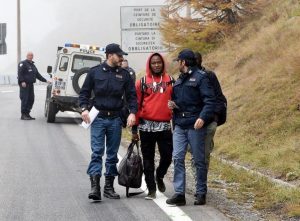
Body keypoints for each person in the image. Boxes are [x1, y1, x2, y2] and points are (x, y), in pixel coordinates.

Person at [79, 43, 137, 201]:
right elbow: (84, 93)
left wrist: (133, 113)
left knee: (112, 155)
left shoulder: (124, 74)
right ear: (110, 55)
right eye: (119, 55)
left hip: (115, 119)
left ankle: (109, 188)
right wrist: (83, 109)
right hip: (98, 118)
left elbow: (132, 96)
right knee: (97, 152)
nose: (121, 58)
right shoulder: (94, 72)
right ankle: (95, 187)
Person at [166, 49, 215, 206]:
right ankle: (179, 193)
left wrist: (202, 117)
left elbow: (210, 101)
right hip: (180, 125)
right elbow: (179, 101)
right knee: (177, 157)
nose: (177, 64)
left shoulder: (201, 78)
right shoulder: (179, 81)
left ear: (183, 62)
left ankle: (201, 192)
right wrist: (173, 105)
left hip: (195, 125)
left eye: (178, 61)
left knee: (199, 160)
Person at [132, 53, 174, 200]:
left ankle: (160, 175)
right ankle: (151, 189)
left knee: (167, 156)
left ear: (163, 63)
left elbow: (176, 102)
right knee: (148, 158)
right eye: (153, 63)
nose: (156, 65)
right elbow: (135, 105)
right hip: (146, 127)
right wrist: (134, 129)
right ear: (149, 65)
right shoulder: (141, 82)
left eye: (159, 62)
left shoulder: (171, 81)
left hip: (164, 126)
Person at [194, 52, 227, 168]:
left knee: (203, 155)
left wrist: (215, 117)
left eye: (197, 60)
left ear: (201, 60)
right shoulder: (184, 77)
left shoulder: (209, 75)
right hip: (192, 121)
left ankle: (200, 181)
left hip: (209, 120)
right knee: (193, 149)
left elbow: (219, 97)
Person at [18, 52, 50, 120]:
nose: (30, 56)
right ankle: (23, 115)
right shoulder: (23, 63)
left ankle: (27, 113)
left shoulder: (33, 65)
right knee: (25, 99)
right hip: (25, 85)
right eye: (29, 55)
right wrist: (22, 81)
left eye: (32, 55)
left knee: (31, 99)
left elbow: (37, 75)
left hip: (31, 85)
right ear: (26, 56)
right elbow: (20, 73)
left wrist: (46, 80)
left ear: (33, 56)